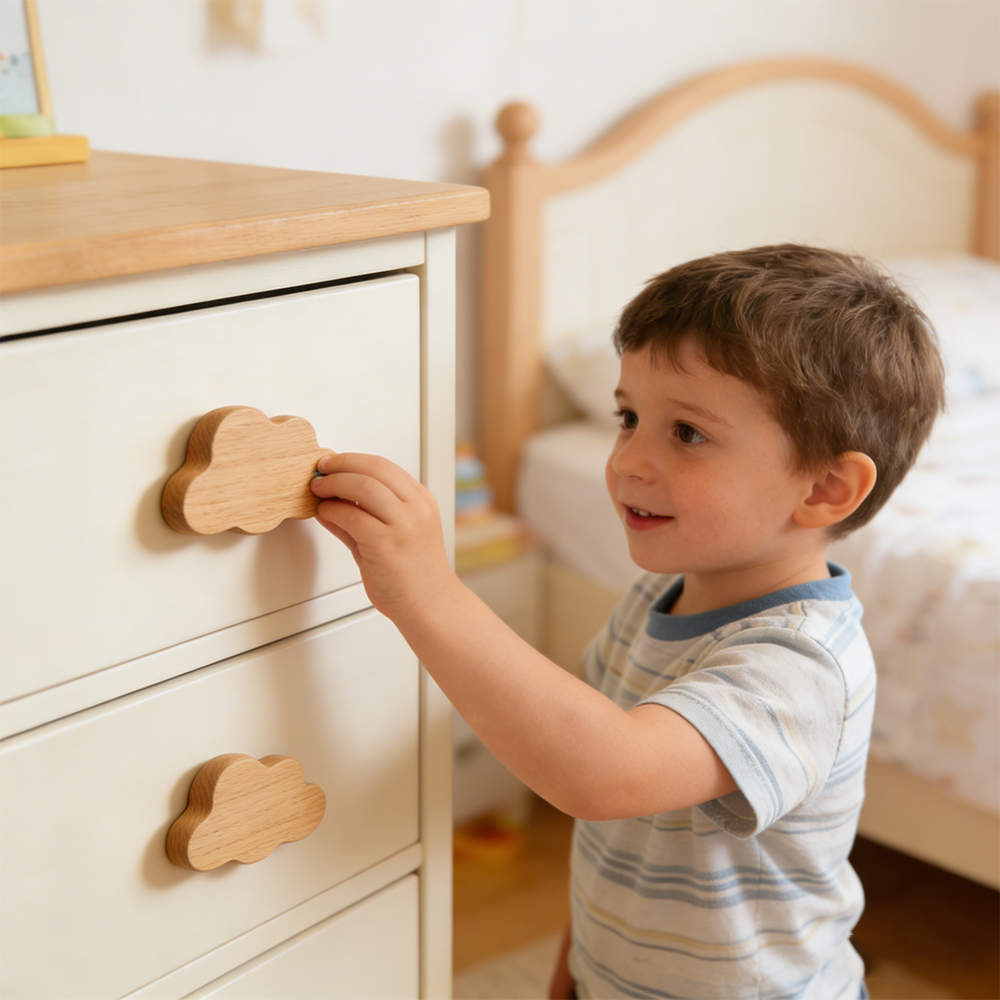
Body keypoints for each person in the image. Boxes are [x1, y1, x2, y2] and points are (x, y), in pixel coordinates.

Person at [310, 244, 945, 999]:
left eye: (687, 433)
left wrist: (427, 592)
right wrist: (576, 967)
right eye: (628, 416)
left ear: (826, 487)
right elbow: (617, 823)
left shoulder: (802, 663)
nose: (628, 461)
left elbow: (603, 774)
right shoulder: (658, 602)